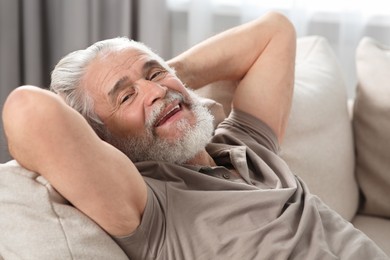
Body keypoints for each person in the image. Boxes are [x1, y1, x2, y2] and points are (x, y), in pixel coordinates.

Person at [2, 12, 387, 259]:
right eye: (125, 96)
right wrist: (100, 132)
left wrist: (167, 77)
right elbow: (28, 110)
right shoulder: (151, 207)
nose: (154, 91)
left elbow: (275, 31)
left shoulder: (244, 145)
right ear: (101, 137)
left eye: (153, 74)